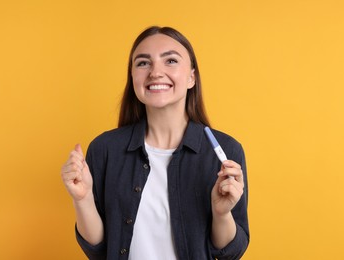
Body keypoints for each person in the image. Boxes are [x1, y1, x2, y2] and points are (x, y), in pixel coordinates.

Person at [61, 26, 249, 260]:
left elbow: (231, 253)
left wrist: (221, 214)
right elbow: (98, 249)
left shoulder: (226, 151)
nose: (155, 72)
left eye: (170, 61)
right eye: (143, 63)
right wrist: (83, 199)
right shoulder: (104, 149)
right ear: (132, 76)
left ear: (191, 77)